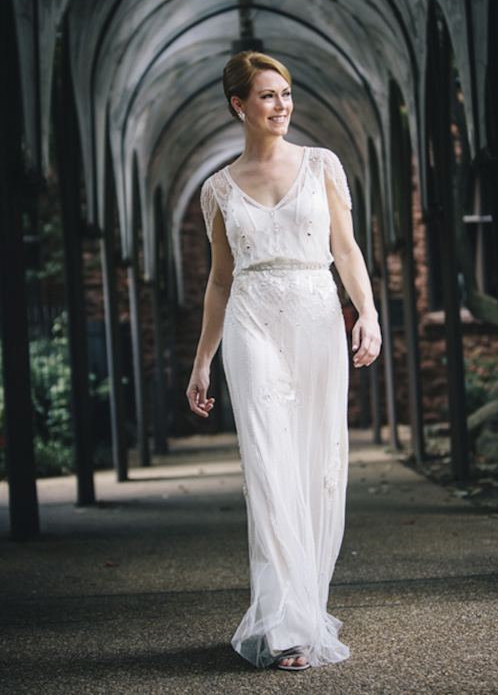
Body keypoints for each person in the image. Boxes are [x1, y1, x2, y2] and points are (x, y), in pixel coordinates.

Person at [186, 51, 381, 671]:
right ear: (239, 105)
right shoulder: (217, 188)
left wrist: (368, 313)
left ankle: (306, 599)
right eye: (267, 96)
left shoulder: (322, 165)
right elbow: (219, 281)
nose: (282, 105)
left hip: (318, 315)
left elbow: (345, 250)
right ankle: (287, 625)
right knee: (269, 467)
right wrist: (202, 361)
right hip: (250, 321)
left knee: (317, 462)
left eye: (287, 93)